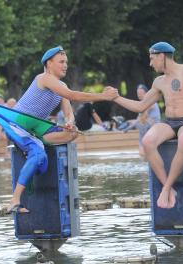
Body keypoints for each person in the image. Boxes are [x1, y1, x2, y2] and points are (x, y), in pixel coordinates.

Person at [7, 45, 118, 213]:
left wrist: (70, 122)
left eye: (66, 62)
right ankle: (14, 200)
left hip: (37, 128)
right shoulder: (44, 78)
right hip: (19, 126)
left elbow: (68, 112)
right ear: (49, 63)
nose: (65, 65)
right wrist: (103, 96)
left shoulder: (61, 86)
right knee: (38, 155)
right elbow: (74, 95)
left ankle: (37, 146)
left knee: (72, 133)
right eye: (61, 62)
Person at [112, 42, 183, 209]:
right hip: (170, 122)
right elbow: (140, 106)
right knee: (148, 141)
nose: (150, 64)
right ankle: (168, 188)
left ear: (162, 56)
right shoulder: (159, 82)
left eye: (152, 59)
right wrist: (115, 98)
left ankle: (165, 188)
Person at [123, 84, 161, 159]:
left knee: (141, 124)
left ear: (146, 93)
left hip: (153, 127)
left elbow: (143, 118)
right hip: (145, 127)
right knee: (134, 122)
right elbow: (139, 119)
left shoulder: (151, 102)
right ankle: (143, 152)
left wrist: (129, 127)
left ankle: (145, 151)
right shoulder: (141, 105)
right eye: (138, 93)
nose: (139, 95)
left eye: (141, 93)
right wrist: (129, 125)